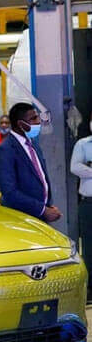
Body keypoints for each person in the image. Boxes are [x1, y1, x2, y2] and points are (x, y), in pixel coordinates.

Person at [0, 103, 61, 222]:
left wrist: (48, 206)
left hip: (40, 216)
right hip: (21, 219)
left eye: (37, 117)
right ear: (20, 124)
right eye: (33, 118)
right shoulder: (5, 149)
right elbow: (10, 193)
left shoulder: (33, 144)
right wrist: (42, 210)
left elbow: (41, 177)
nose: (38, 122)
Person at [70, 111, 92, 297]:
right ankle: (90, 288)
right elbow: (75, 167)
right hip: (88, 203)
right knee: (89, 246)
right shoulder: (83, 144)